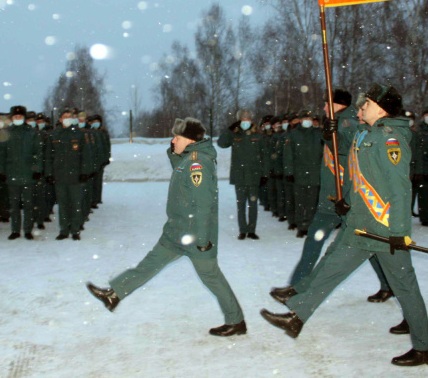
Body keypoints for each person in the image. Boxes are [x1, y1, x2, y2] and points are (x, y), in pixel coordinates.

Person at [261, 83, 428, 367]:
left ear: (380, 109)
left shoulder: (389, 140)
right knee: (332, 268)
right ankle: (297, 317)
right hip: (361, 223)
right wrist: (347, 201)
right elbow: (354, 164)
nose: (360, 108)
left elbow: (399, 189)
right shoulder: (367, 133)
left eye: (365, 104)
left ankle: (424, 346)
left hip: (383, 228)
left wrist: (399, 232)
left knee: (404, 285)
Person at [86, 117, 246, 337]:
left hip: (195, 234)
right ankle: (114, 294)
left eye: (177, 137)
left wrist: (202, 241)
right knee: (149, 264)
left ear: (189, 140)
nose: (173, 140)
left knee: (211, 277)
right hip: (176, 231)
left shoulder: (197, 163)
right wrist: (173, 150)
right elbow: (178, 167)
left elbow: (202, 205)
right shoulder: (188, 158)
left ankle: (236, 321)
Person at [217, 109, 266, 240]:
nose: (246, 122)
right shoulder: (234, 135)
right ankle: (242, 230)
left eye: (248, 119)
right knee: (241, 205)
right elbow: (221, 144)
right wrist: (229, 130)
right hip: (239, 176)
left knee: (253, 205)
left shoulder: (258, 135)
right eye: (243, 120)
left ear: (251, 120)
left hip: (254, 175)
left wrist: (264, 174)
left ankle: (251, 230)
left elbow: (264, 156)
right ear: (239, 121)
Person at [0, 105, 43, 240]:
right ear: (11, 118)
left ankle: (28, 229)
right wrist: (1, 171)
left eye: (20, 116)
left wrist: (38, 169)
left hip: (28, 173)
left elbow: (38, 153)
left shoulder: (32, 133)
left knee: (29, 204)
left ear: (24, 118)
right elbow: (1, 154)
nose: (18, 118)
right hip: (12, 173)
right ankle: (15, 230)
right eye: (15, 117)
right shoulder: (5, 133)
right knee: (14, 205)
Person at [48, 109, 89, 240]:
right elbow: (48, 156)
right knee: (63, 204)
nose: (67, 119)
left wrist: (84, 172)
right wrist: (49, 173)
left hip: (76, 175)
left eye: (69, 117)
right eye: (64, 117)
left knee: (76, 204)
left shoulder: (79, 134)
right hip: (59, 175)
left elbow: (85, 155)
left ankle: (75, 230)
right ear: (60, 119)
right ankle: (64, 230)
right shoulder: (53, 135)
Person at [283, 109, 323, 238]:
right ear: (300, 120)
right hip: (299, 173)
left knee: (312, 203)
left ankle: (310, 225)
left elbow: (324, 155)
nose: (308, 121)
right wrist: (289, 171)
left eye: (310, 119)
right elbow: (288, 155)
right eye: (305, 119)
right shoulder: (293, 135)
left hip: (315, 173)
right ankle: (301, 226)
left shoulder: (319, 134)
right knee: (300, 202)